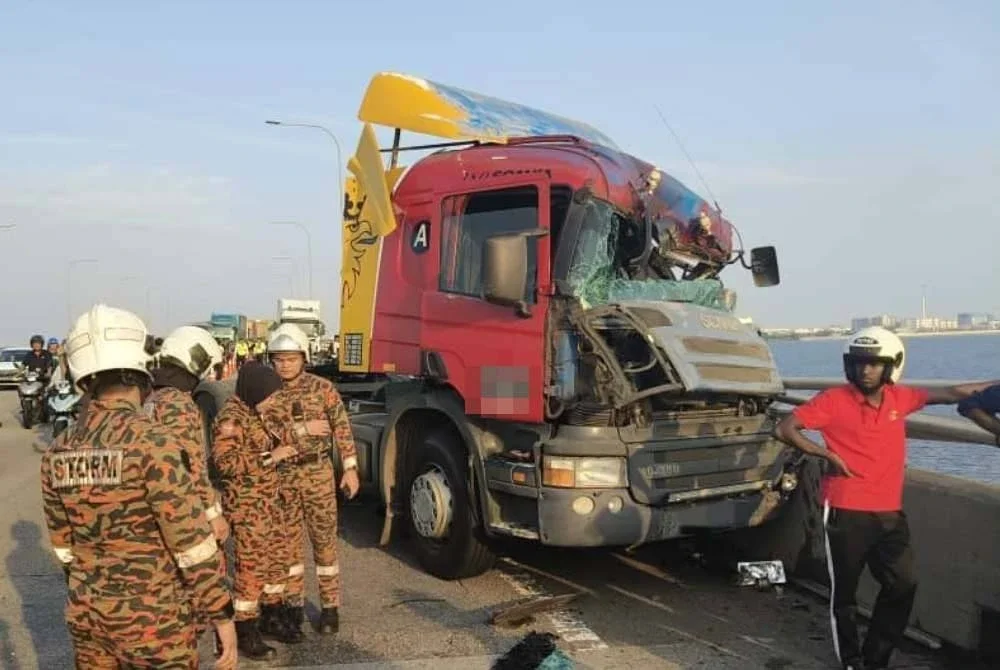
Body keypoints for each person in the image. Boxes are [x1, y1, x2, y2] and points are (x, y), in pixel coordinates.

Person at [775, 326, 998, 670]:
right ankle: (851, 661)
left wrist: (991, 385)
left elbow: (955, 393)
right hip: (846, 509)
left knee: (903, 585)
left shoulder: (900, 398)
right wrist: (825, 455)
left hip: (890, 512)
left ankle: (875, 658)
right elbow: (785, 428)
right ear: (850, 366)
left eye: (875, 364)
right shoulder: (833, 400)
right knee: (844, 594)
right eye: (860, 363)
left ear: (890, 366)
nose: (866, 370)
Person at [39, 304, 237, 669]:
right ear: (139, 375)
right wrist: (220, 614)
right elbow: (191, 544)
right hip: (155, 624)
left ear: (83, 379)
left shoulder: (58, 451)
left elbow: (64, 548)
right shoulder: (154, 444)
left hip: (89, 619)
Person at [267, 322, 360, 635]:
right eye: (279, 359)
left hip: (318, 473)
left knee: (324, 543)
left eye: (291, 358)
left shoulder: (323, 388)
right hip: (284, 476)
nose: (285, 365)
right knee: (288, 546)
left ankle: (330, 608)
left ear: (303, 358)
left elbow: (342, 427)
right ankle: (293, 607)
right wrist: (301, 430)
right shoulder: (266, 394)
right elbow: (264, 432)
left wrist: (349, 467)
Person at [212, 362, 305, 657]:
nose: (273, 400)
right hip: (248, 506)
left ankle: (272, 616)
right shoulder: (232, 417)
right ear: (254, 391)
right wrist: (269, 457)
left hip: (269, 503)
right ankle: (246, 627)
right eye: (269, 394)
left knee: (275, 562)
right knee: (251, 569)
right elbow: (225, 463)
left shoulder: (257, 412)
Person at [144, 326, 230, 542]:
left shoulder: (149, 396)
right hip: (177, 506)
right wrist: (213, 514)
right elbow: (192, 466)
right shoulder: (178, 402)